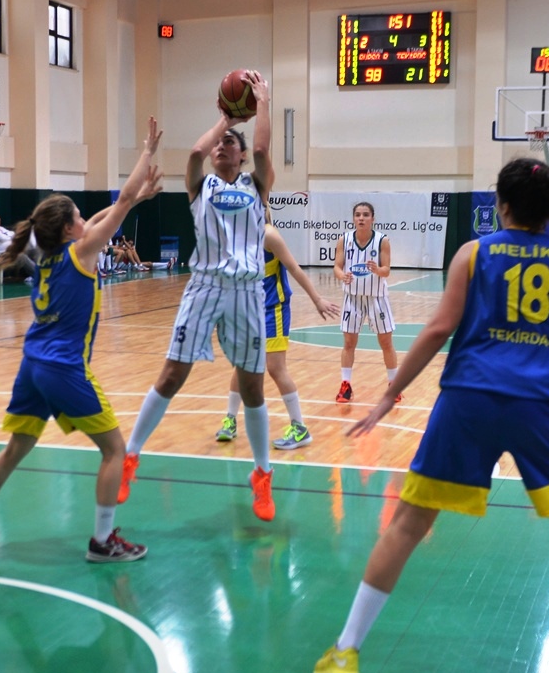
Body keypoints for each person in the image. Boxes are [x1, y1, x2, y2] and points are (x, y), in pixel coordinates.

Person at [312, 157, 549, 673]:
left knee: (409, 524)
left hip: (470, 401)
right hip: (541, 410)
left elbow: (438, 329)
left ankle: (346, 650)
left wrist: (390, 394)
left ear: (500, 206)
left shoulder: (473, 254)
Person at [0, 118, 165, 561]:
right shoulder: (81, 254)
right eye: (79, 217)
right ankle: (103, 541)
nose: (86, 221)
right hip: (64, 368)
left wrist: (135, 200)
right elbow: (119, 202)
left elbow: (107, 215)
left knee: (17, 446)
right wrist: (146, 154)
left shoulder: (47, 257)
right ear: (70, 229)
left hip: (32, 365)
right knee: (114, 450)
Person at [122, 71, 277, 520]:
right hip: (206, 285)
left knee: (252, 387)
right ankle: (130, 456)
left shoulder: (256, 185)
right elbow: (193, 153)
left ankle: (262, 474)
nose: (221, 146)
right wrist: (224, 119)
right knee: (172, 374)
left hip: (247, 290)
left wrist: (262, 102)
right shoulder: (200, 185)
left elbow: (263, 151)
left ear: (241, 155)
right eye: (218, 143)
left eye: (230, 143)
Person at [214, 223, 339, 450]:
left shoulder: (269, 235)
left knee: (275, 368)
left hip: (274, 310)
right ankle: (230, 421)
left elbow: (295, 269)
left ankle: (300, 428)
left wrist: (317, 299)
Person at [334, 201, 401, 404]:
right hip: (352, 297)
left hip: (376, 297)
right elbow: (337, 267)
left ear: (373, 218)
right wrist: (342, 276)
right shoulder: (344, 239)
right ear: (353, 218)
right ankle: (345, 385)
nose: (361, 218)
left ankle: (394, 385)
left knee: (386, 342)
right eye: (357, 215)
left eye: (365, 215)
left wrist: (378, 270)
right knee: (348, 343)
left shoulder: (382, 241)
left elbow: (387, 270)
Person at [0, 214, 37, 281]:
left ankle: (35, 273)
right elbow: (3, 238)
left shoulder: (1, 229)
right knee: (22, 257)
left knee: (32, 250)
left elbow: (12, 233)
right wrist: (10, 236)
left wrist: (10, 236)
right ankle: (37, 275)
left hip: (11, 251)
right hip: (1, 255)